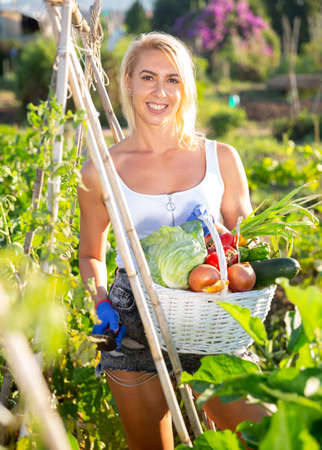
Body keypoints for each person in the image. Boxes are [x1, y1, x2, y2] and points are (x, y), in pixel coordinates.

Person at [78, 32, 268, 450]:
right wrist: (99, 301)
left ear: (186, 88)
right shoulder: (100, 170)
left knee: (258, 439)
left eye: (172, 79)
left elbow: (249, 245)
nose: (159, 91)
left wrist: (247, 267)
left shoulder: (221, 158)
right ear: (127, 81)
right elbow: (91, 252)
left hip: (212, 313)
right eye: (148, 77)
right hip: (135, 319)